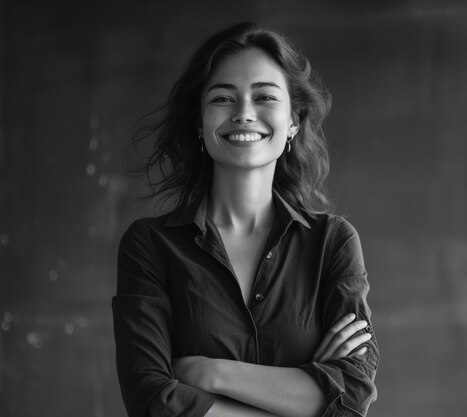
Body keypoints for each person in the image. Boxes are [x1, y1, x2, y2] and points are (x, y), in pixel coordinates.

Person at [112, 22, 378, 417]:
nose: (244, 114)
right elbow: (151, 401)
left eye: (265, 96)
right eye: (223, 98)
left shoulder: (332, 242)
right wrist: (305, 394)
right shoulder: (149, 245)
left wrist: (209, 373)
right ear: (199, 124)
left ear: (293, 122)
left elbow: (352, 395)